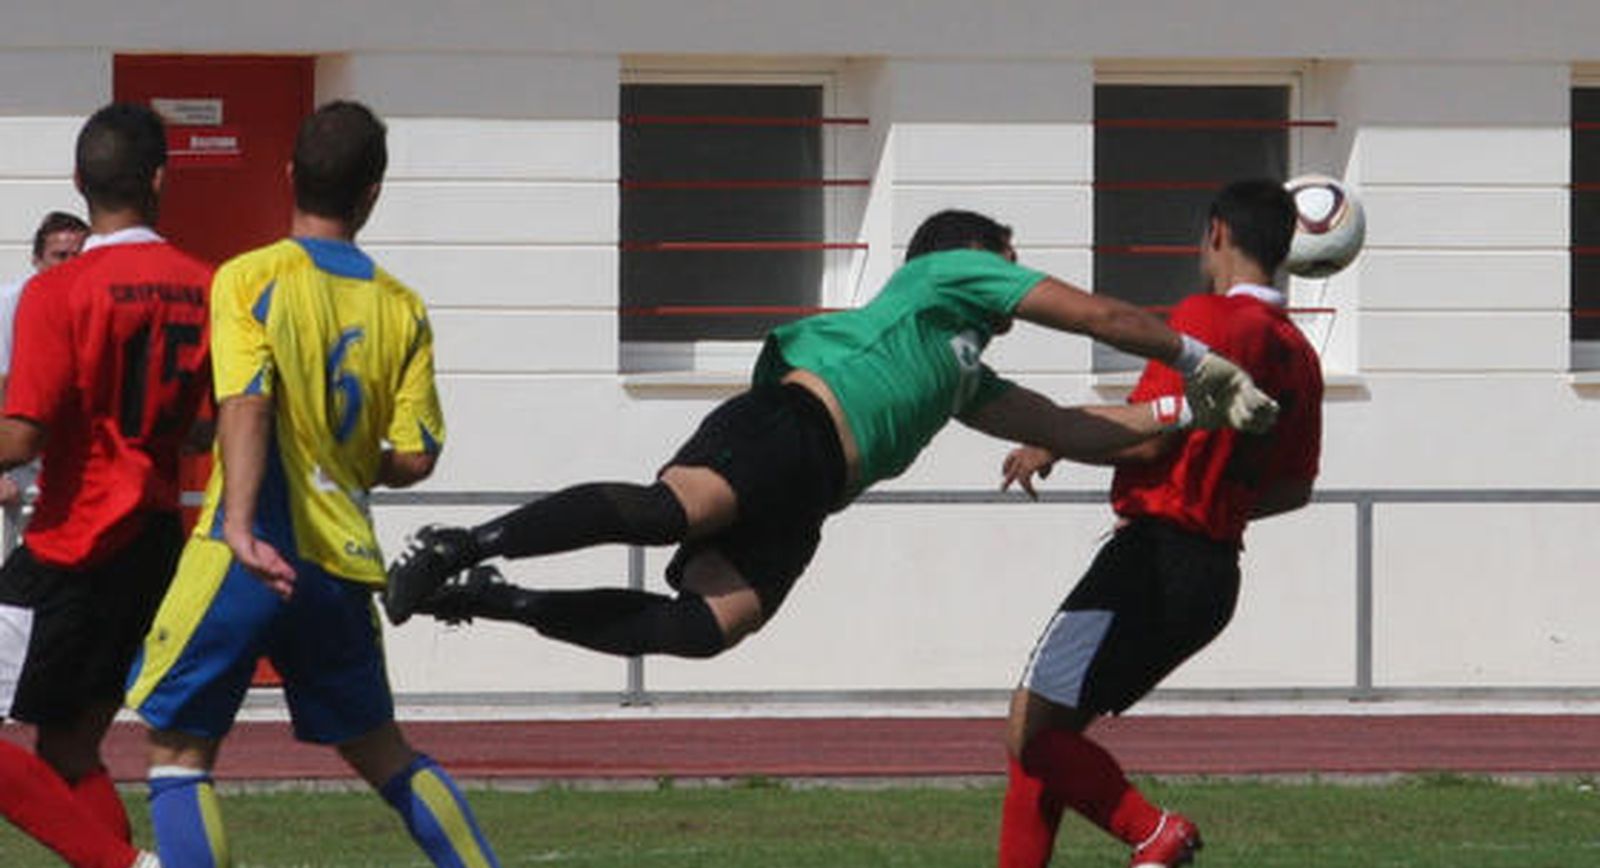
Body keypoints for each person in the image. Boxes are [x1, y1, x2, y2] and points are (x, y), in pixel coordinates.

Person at [112, 100, 559, 868]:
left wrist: (238, 523)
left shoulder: (250, 278)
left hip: (252, 551)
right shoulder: (400, 306)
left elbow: (246, 401)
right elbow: (416, 455)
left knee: (176, 752)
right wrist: (345, 459)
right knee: (386, 754)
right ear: (372, 194)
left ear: (288, 177)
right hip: (341, 563)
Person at [382, 210, 1279, 658]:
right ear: (965, 260)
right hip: (792, 425)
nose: (1014, 279)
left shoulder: (962, 368)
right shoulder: (947, 276)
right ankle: (456, 541)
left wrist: (1189, 411)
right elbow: (1099, 315)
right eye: (1005, 263)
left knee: (706, 629)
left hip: (810, 494)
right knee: (669, 513)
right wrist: (1197, 357)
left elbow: (1072, 429)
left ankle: (491, 598)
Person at [919, 179, 1324, 868]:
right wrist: (1216, 505)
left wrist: (1053, 436)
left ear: (1213, 234)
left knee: (1031, 725)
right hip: (1214, 575)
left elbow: (1149, 437)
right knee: (1054, 723)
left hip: (1151, 557)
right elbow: (1294, 488)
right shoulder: (1299, 353)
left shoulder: (1204, 320)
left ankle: (1152, 831)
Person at [0, 104, 212, 868]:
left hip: (73, 539)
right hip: (152, 536)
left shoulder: (59, 290)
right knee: (73, 747)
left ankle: (118, 864)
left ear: (81, 188)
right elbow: (207, 420)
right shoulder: (205, 284)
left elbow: (19, 435)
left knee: (48, 746)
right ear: (161, 177)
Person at [0, 211, 90, 523]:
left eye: (78, 255)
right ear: (37, 260)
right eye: (59, 256)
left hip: (80, 461)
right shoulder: (9, 306)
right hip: (19, 460)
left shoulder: (98, 303)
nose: (69, 264)